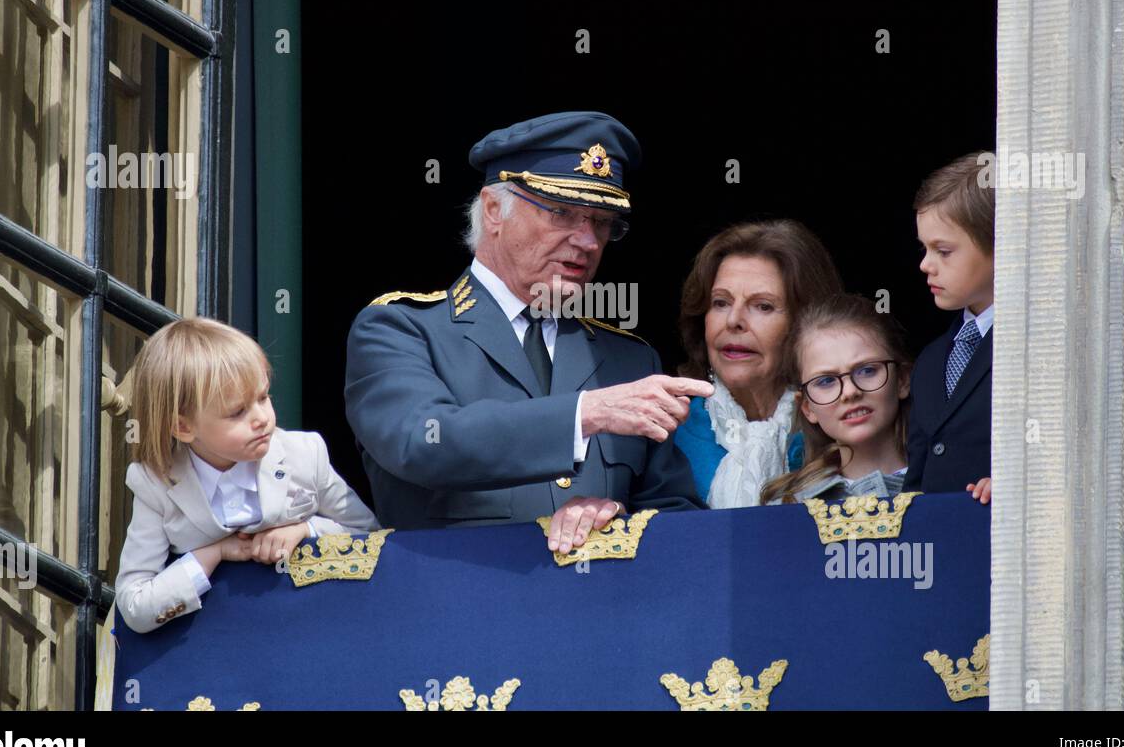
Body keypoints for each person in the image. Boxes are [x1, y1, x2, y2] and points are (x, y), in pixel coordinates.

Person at [344, 111, 713, 550]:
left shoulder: (628, 359)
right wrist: (584, 414)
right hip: (454, 610)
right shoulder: (400, 329)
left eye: (601, 222)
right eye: (563, 212)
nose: (588, 241)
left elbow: (677, 516)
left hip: (601, 610)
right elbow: (421, 442)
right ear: (494, 209)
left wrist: (619, 519)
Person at [115, 318, 379, 633]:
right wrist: (213, 554)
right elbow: (135, 604)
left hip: (311, 628)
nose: (261, 418)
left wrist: (305, 530)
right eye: (237, 412)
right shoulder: (154, 483)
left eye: (263, 397)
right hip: (216, 645)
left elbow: (370, 534)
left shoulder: (305, 454)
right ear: (183, 427)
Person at [672, 220, 842, 508]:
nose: (733, 320)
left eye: (762, 306)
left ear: (804, 323)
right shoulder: (667, 431)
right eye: (721, 303)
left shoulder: (843, 426)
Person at [903, 152, 995, 503]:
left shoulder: (1037, 348)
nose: (926, 264)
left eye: (943, 250)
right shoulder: (930, 360)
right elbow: (916, 483)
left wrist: (1021, 483)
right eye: (924, 249)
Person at [760, 294, 912, 504]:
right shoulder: (786, 506)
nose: (849, 392)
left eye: (867, 370)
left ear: (902, 380)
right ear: (807, 407)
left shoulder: (954, 485)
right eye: (826, 381)